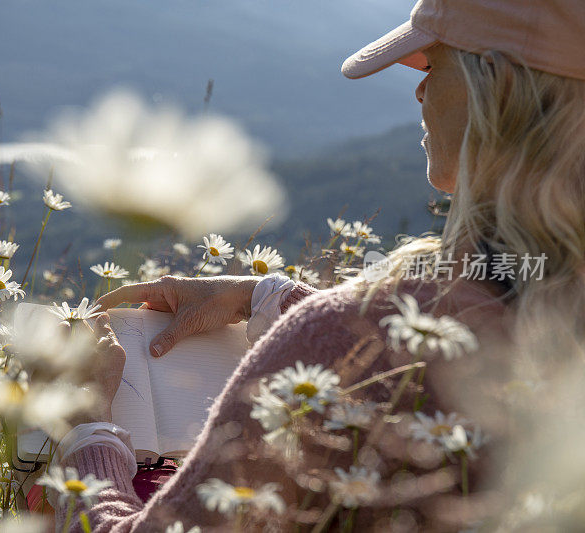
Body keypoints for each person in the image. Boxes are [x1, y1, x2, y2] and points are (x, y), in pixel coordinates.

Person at [46, 0, 585, 530]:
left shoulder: (357, 332)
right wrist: (267, 300)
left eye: (434, 65)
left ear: (502, 89)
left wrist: (87, 426)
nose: (419, 91)